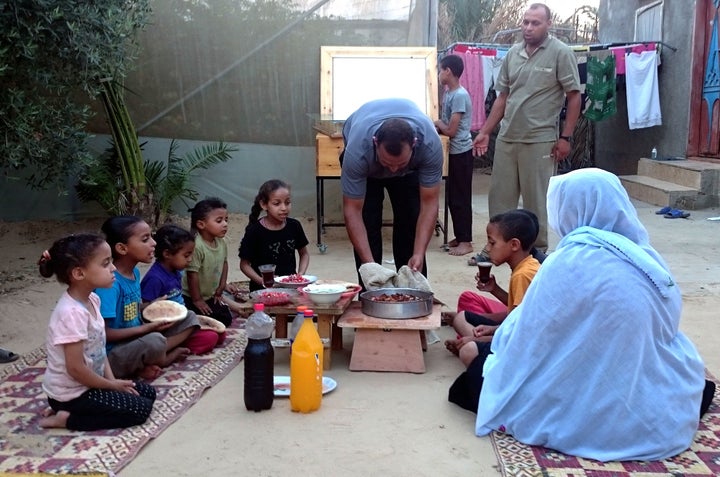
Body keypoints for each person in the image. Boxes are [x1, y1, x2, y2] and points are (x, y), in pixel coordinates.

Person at [470, 168, 715, 461]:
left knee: (479, 375)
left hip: (593, 390)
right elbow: (668, 324)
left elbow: (531, 333)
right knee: (685, 381)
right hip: (647, 397)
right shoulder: (645, 257)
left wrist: (497, 342)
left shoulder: (568, 261)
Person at [472, 2, 581, 251]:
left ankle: (537, 251)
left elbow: (574, 96)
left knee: (537, 202)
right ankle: (494, 248)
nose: (529, 27)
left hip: (540, 139)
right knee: (499, 199)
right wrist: (485, 132)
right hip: (508, 138)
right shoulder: (513, 53)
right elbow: (503, 97)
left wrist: (566, 137)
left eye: (536, 23)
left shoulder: (560, 52)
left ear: (548, 24)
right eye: (526, 22)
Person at [38, 233, 156, 430]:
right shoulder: (71, 314)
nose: (113, 268)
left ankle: (75, 411)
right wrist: (111, 386)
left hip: (90, 384)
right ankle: (66, 418)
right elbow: (75, 368)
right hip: (72, 394)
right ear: (78, 273)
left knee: (147, 393)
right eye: (105, 264)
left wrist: (113, 381)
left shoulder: (93, 299)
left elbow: (99, 348)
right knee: (139, 411)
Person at [340, 98, 443, 280]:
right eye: (387, 163)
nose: (393, 169)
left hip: (409, 172)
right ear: (375, 142)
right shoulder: (357, 151)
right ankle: (370, 289)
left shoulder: (429, 145)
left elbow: (429, 203)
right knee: (368, 221)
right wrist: (370, 266)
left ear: (414, 144)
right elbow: (352, 210)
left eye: (400, 163)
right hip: (368, 168)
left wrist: (419, 252)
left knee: (410, 222)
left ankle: (412, 288)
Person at [96, 216, 197, 380]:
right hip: (113, 354)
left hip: (137, 338)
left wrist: (150, 306)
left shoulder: (134, 273)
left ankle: (150, 359)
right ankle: (162, 357)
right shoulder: (110, 284)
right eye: (145, 239)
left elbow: (129, 309)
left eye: (151, 236)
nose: (154, 243)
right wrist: (147, 329)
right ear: (122, 248)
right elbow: (104, 334)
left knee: (190, 317)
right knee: (155, 341)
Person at [444, 210, 540, 369]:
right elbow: (517, 313)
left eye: (492, 243)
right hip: (515, 333)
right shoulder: (527, 265)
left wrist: (478, 340)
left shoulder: (522, 275)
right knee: (461, 318)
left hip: (523, 349)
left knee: (468, 351)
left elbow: (517, 333)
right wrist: (494, 290)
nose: (487, 248)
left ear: (514, 245)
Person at [141, 224, 223, 354]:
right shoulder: (155, 279)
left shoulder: (176, 271)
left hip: (183, 319)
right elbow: (146, 311)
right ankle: (172, 346)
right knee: (210, 338)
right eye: (186, 255)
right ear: (167, 254)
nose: (190, 259)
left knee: (220, 333)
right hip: (167, 328)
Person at [434, 54, 474, 257]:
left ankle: (466, 241)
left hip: (461, 153)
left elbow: (450, 129)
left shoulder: (459, 95)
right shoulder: (449, 93)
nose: (439, 74)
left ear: (448, 71)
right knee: (452, 197)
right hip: (452, 153)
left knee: (461, 197)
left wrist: (436, 122)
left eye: (441, 70)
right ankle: (460, 235)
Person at [238, 179, 310, 292]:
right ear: (264, 204)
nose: (284, 208)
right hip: (262, 291)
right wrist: (262, 281)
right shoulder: (255, 231)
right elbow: (244, 265)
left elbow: (304, 254)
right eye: (277, 203)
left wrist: (300, 275)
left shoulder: (294, 226)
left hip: (291, 288)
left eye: (287, 202)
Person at [182, 197, 234, 326]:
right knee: (207, 320)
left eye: (226, 220)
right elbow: (191, 274)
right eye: (219, 221)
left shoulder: (221, 242)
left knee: (226, 318)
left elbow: (225, 263)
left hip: (210, 295)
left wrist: (221, 286)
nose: (225, 224)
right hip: (191, 296)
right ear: (201, 224)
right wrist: (197, 300)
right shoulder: (197, 246)